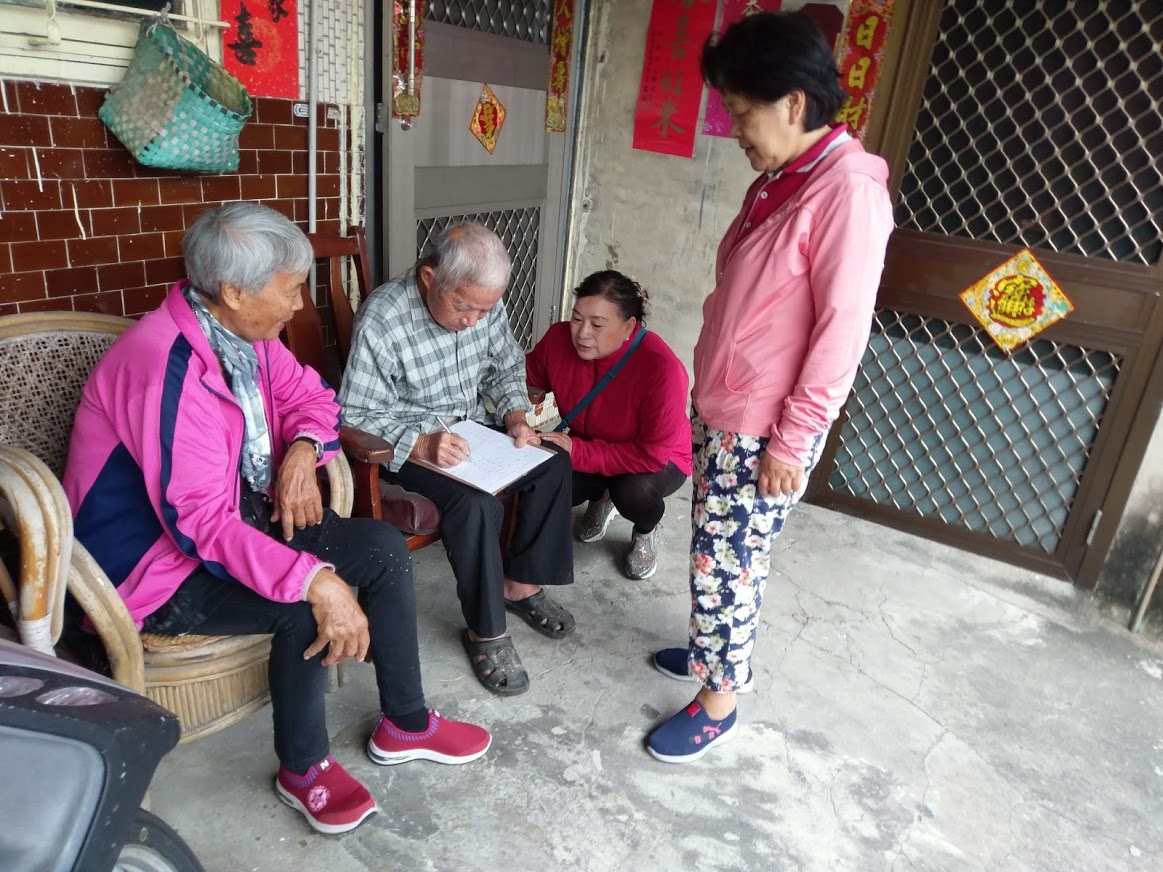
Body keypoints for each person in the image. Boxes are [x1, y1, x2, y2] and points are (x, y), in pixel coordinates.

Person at [62, 203, 491, 835]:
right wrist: (315, 580)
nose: (297, 305)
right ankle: (304, 768)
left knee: (380, 546)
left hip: (243, 517)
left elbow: (314, 397)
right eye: (290, 290)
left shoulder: (243, 338)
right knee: (301, 605)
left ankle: (405, 723)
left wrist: (301, 451)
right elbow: (199, 525)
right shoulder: (163, 369)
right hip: (153, 567)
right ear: (234, 291)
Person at [645, 12, 894, 763]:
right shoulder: (784, 179)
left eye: (741, 113)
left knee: (732, 561)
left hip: (766, 426)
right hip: (730, 407)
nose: (735, 131)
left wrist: (793, 438)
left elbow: (841, 332)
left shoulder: (846, 191)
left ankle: (719, 700)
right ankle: (707, 653)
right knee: (713, 550)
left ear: (792, 102)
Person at [338, 224, 575, 698]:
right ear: (430, 278)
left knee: (550, 463)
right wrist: (421, 444)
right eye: (463, 307)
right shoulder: (383, 318)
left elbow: (505, 364)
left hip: (472, 429)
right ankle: (486, 632)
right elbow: (354, 414)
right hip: (407, 444)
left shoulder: (482, 300)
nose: (473, 320)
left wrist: (515, 417)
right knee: (475, 504)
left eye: (483, 310)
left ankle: (519, 585)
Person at [527, 271, 692, 580]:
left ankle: (645, 530)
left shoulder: (662, 371)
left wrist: (577, 451)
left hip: (655, 460)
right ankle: (602, 497)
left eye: (597, 325)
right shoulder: (558, 338)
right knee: (545, 480)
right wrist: (519, 406)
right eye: (577, 319)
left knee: (632, 492)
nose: (582, 334)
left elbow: (650, 456)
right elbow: (530, 375)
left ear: (629, 326)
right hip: (590, 441)